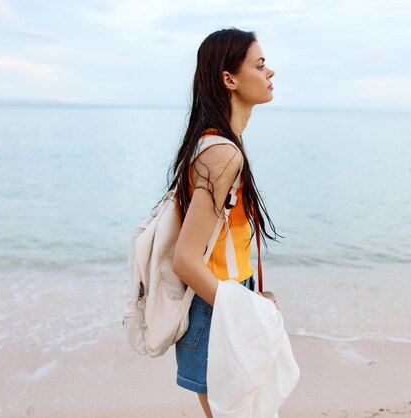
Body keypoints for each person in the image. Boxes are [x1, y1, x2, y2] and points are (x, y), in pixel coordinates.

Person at [167, 27, 278, 417]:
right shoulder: (222, 153)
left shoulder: (223, 144)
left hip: (228, 297)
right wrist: (243, 311)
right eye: (260, 65)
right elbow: (186, 259)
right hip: (215, 308)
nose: (270, 73)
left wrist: (252, 298)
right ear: (229, 79)